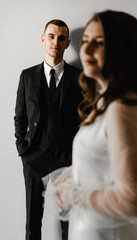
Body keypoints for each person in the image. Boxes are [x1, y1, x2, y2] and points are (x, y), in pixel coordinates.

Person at [52, 10, 137, 240]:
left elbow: (133, 201)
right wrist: (73, 174)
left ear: (123, 50)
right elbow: (110, 163)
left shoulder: (122, 109)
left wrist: (73, 195)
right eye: (86, 41)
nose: (86, 50)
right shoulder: (108, 102)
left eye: (98, 43)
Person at [14, 19, 82, 240]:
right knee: (33, 223)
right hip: (34, 156)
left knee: (68, 222)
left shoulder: (79, 77)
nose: (56, 42)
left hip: (67, 157)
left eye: (61, 38)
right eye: (51, 36)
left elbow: (86, 117)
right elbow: (20, 116)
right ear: (43, 39)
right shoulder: (27, 76)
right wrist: (22, 146)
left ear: (67, 43)